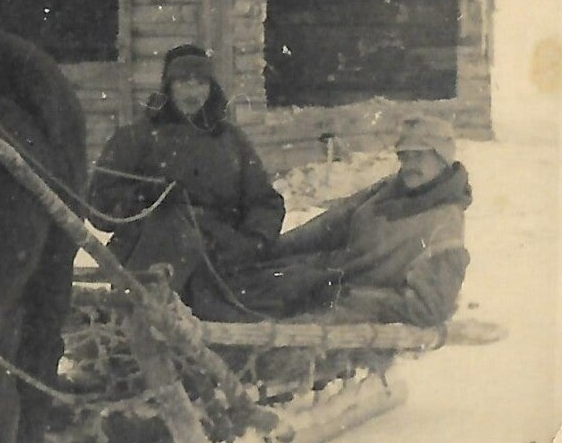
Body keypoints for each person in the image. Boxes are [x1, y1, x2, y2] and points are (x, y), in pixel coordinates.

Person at [88, 44, 285, 321]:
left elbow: (264, 202)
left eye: (201, 82)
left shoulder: (230, 141)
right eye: (183, 82)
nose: (193, 92)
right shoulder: (136, 138)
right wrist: (145, 195)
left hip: (220, 260)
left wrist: (254, 241)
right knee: (147, 323)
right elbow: (99, 206)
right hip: (153, 262)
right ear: (168, 87)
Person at [231, 115, 472, 328]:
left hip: (351, 301)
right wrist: (268, 250)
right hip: (320, 276)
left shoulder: (444, 222)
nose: (409, 166)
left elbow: (429, 307)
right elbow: (329, 226)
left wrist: (356, 298)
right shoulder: (389, 189)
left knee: (272, 330)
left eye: (419, 156)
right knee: (240, 287)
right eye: (404, 157)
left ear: (442, 159)